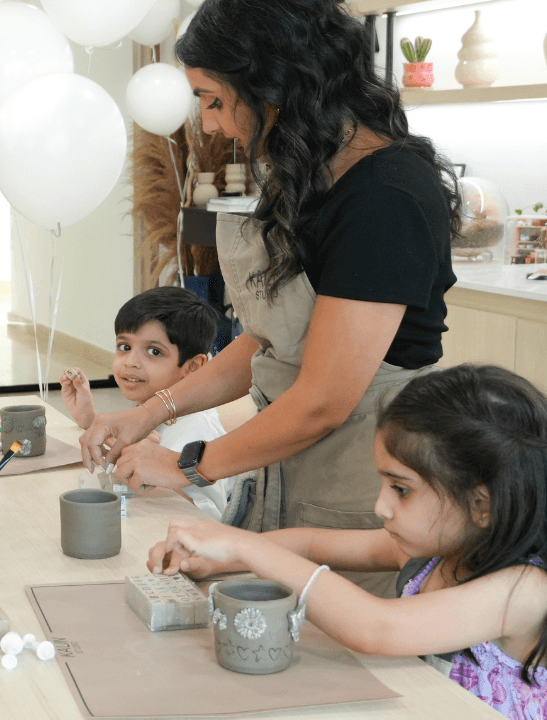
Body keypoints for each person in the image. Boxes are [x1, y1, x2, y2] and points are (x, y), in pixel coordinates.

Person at [78, 0, 462, 594]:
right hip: (288, 469)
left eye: (212, 99)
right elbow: (269, 341)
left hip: (362, 487)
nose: (207, 125)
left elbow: (322, 401)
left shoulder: (386, 197)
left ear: (273, 83)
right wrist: (148, 413)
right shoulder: (309, 175)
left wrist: (187, 463)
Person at [147, 365, 546, 720]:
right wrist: (217, 560)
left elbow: (377, 627)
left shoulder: (522, 591)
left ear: (480, 505)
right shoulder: (439, 552)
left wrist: (245, 547)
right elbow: (310, 544)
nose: (381, 507)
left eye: (401, 490)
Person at [61, 286, 233, 519]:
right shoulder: (147, 411)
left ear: (192, 367)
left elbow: (212, 517)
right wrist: (91, 421)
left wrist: (161, 477)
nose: (130, 361)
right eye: (125, 347)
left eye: (153, 351)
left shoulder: (197, 430)